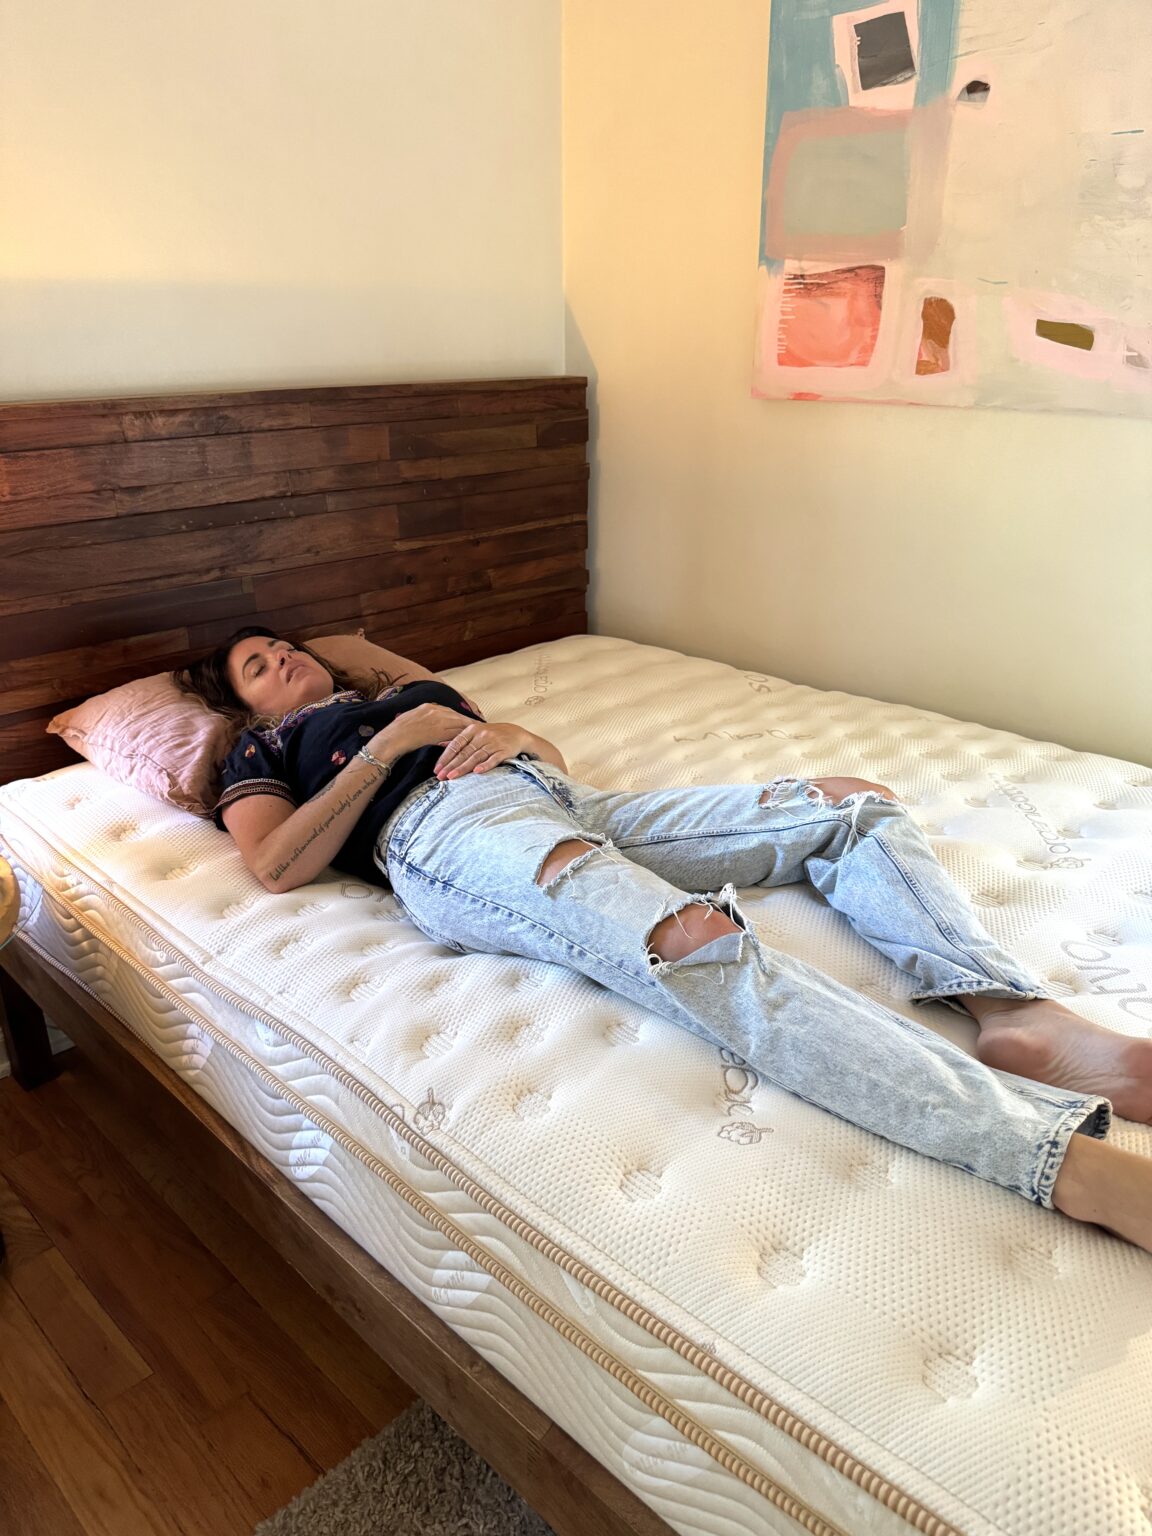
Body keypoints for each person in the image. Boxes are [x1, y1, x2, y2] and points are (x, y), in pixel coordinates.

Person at [180, 628, 1152, 1255]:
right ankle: (1067, 1166)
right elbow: (274, 864)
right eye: (256, 665)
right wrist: (398, 746)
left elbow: (543, 758)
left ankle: (1013, 1010)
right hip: (442, 838)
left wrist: (491, 726)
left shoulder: (401, 691)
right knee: (686, 941)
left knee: (851, 807)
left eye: (284, 643)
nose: (284, 658)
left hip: (560, 796)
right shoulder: (269, 752)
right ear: (245, 707)